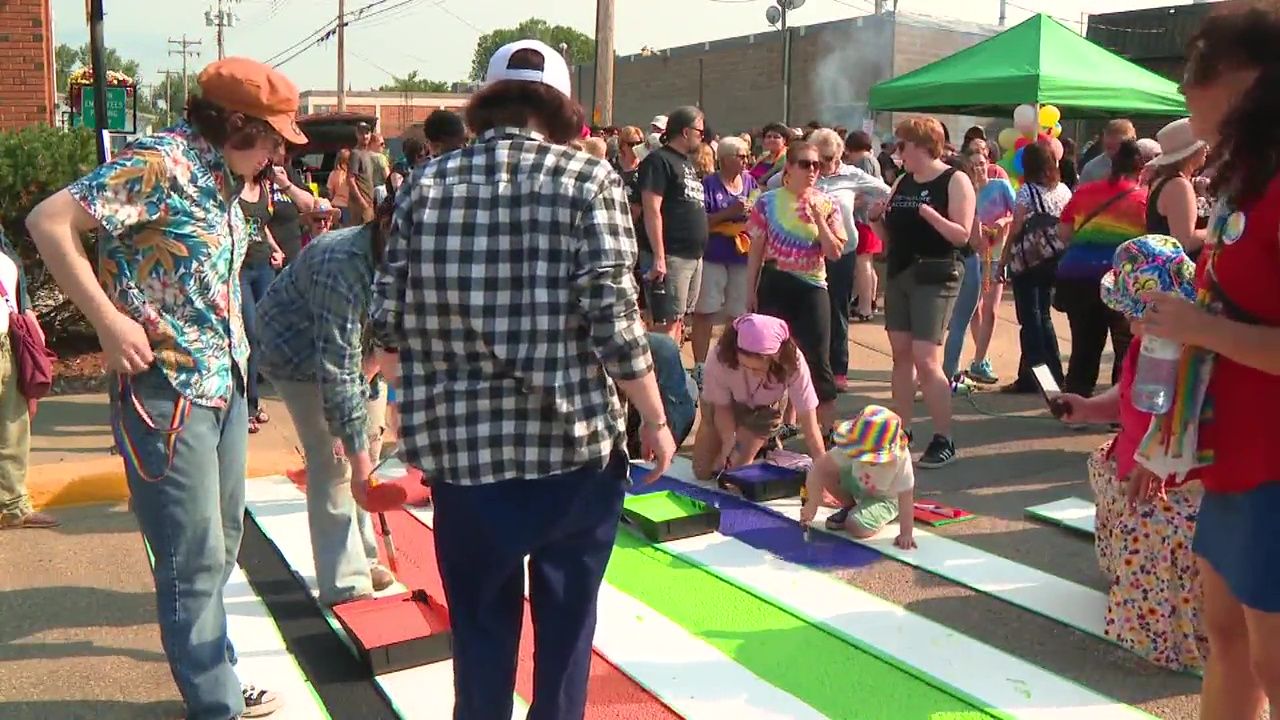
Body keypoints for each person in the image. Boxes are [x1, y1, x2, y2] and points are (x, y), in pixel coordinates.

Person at [368, 39, 674, 720]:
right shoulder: (590, 180)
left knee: (479, 628)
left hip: (463, 454)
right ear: (563, 108)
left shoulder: (427, 181)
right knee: (567, 629)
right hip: (572, 447)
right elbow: (613, 315)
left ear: (486, 102)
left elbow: (386, 317)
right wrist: (653, 416)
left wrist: (405, 401)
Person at [26, 56, 307, 720]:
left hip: (223, 382)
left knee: (223, 537)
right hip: (168, 389)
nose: (275, 152)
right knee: (191, 554)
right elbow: (49, 223)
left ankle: (217, 672)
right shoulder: (159, 165)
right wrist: (106, 319)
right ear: (235, 123)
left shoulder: (220, 174)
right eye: (269, 137)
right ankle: (215, 705)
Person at [1133, 5, 1280, 715]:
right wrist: (1161, 440)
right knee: (1226, 635)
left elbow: (1221, 326)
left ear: (1249, 79)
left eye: (1195, 74)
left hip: (1275, 460)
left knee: (1275, 660)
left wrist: (1202, 327)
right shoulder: (1247, 180)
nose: (1186, 95)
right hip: (1236, 454)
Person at [1054, 235, 1207, 673]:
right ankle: (1130, 582)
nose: (1120, 315)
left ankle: (1163, 629)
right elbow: (1129, 395)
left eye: (1126, 307)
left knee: (1159, 539)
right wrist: (1087, 407)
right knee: (1109, 478)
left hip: (1170, 477)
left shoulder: (1188, 354)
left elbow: (1184, 416)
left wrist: (1152, 460)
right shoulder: (1144, 345)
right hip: (1134, 459)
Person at [255, 197, 398, 606]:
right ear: (386, 224)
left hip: (358, 345)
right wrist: (356, 457)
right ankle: (345, 582)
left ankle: (365, 557)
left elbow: (400, 327)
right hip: (296, 354)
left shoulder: (413, 255)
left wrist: (380, 375)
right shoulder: (340, 266)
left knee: (368, 444)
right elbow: (336, 369)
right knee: (335, 461)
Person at [878, 117, 976, 468]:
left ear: (921, 146)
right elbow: (891, 228)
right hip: (901, 271)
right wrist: (878, 219)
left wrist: (929, 214)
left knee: (926, 357)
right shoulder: (904, 180)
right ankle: (901, 431)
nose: (897, 152)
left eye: (901, 145)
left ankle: (943, 437)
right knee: (901, 354)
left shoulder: (955, 179)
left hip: (936, 272)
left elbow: (961, 235)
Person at [745, 139, 846, 432]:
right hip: (776, 281)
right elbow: (756, 250)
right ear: (789, 167)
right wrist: (749, 291)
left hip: (812, 285)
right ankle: (763, 431)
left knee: (817, 359)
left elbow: (835, 252)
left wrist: (818, 218)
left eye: (817, 165)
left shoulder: (828, 203)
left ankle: (825, 433)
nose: (812, 170)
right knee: (768, 359)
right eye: (805, 164)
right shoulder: (768, 201)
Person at [1054, 139, 1147, 398]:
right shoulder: (1144, 200)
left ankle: (1074, 405)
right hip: (1119, 282)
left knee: (1084, 347)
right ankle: (1118, 410)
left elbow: (1063, 232)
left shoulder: (1085, 192)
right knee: (1124, 349)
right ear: (1141, 169)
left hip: (1078, 277)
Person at [691, 314, 826, 479]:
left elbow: (810, 427)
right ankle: (762, 449)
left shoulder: (794, 363)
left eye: (758, 370)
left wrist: (823, 473)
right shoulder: (719, 356)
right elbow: (721, 407)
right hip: (724, 407)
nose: (751, 374)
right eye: (744, 366)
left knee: (733, 474)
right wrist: (729, 441)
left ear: (776, 359)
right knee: (703, 472)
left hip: (763, 411)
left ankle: (760, 445)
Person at [809, 128, 891, 391]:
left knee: (837, 310)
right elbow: (771, 185)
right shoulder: (804, 171)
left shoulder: (851, 174)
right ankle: (810, 369)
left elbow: (887, 191)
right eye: (821, 159)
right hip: (807, 253)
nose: (825, 165)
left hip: (842, 253)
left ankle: (838, 370)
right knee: (811, 311)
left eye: (830, 158)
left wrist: (865, 203)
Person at [1000, 141, 1072, 394]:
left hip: (1028, 262)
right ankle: (1054, 373)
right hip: (1054, 259)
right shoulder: (1063, 190)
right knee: (1044, 317)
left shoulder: (1027, 192)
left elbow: (1016, 228)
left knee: (1029, 321)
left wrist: (1004, 259)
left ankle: (1038, 378)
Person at [945, 146, 1015, 390]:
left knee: (992, 310)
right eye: (973, 165)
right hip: (973, 256)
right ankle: (979, 358)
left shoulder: (1000, 186)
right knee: (974, 311)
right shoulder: (966, 191)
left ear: (989, 163)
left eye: (982, 164)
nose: (979, 169)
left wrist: (1002, 221)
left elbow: (1017, 214)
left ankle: (979, 360)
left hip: (995, 256)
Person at [0, 228, 56, 530]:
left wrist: (28, 310)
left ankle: (14, 506)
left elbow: (11, 270)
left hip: (7, 343)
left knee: (13, 428)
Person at [637, 105, 709, 341]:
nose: (703, 136)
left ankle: (673, 375)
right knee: (665, 324)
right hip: (670, 256)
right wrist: (659, 256)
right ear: (686, 132)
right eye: (700, 131)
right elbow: (651, 209)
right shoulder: (659, 161)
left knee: (678, 321)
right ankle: (662, 376)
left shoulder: (685, 163)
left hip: (692, 256)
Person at [800, 404, 917, 549]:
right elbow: (819, 469)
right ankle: (851, 506)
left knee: (856, 526)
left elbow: (906, 496)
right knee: (829, 472)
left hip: (885, 499)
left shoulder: (900, 458)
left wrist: (906, 533)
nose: (865, 459)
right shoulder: (853, 446)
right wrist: (813, 502)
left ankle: (871, 514)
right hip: (858, 485)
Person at [691, 136, 757, 384]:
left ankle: (729, 362)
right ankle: (699, 365)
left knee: (738, 312)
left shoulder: (750, 182)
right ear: (725, 158)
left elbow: (758, 210)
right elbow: (701, 221)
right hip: (714, 254)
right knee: (705, 309)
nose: (745, 160)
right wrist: (728, 213)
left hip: (742, 254)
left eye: (746, 155)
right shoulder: (708, 184)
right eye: (740, 156)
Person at [238, 170, 286, 434]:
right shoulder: (232, 184)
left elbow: (261, 225)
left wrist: (276, 248)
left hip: (263, 265)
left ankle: (253, 402)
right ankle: (245, 407)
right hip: (240, 269)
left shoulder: (265, 186)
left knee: (262, 334)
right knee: (250, 334)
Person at [1145, 118, 1209, 259]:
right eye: (1203, 144)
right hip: (1181, 274)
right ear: (1190, 153)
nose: (1207, 149)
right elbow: (1184, 242)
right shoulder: (1179, 186)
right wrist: (1216, 229)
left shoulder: (1165, 180)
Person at [265, 146, 319, 265]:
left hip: (292, 251)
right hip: (266, 255)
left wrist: (286, 184)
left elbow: (309, 205)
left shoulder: (288, 172)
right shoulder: (257, 174)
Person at [347, 122, 386, 225]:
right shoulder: (355, 153)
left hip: (369, 203)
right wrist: (362, 202)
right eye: (361, 133)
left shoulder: (368, 153)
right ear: (357, 134)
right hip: (360, 206)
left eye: (367, 133)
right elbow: (351, 180)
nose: (365, 136)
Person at [1077, 119, 1137, 185]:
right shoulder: (1092, 168)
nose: (1112, 152)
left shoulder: (1141, 166)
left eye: (1117, 145)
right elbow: (1082, 193)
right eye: (1109, 147)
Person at [327, 149, 352, 226]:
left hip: (335, 205)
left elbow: (330, 192)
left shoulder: (333, 174)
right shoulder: (351, 175)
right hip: (348, 206)